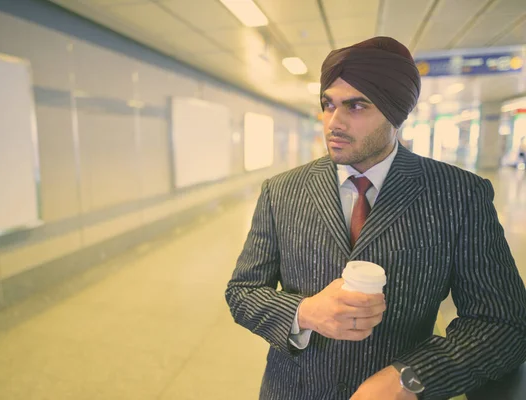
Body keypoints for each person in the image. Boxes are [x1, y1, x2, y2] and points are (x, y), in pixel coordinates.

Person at [225, 37, 526, 400]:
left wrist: (411, 378)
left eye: (356, 106)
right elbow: (242, 292)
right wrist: (304, 312)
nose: (333, 122)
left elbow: (503, 324)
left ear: (395, 112)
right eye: (328, 104)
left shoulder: (458, 194)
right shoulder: (283, 190)